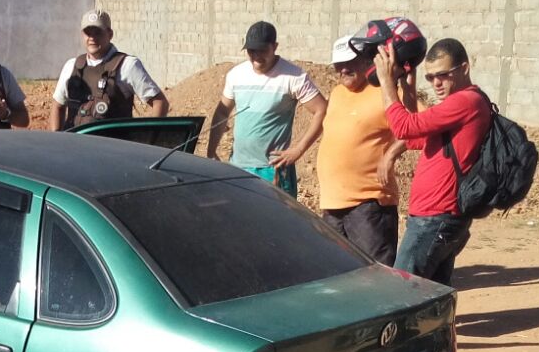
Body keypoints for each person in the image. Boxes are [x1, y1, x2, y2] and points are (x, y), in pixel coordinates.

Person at [374, 37, 491, 285]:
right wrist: (407, 89)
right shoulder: (461, 105)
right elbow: (413, 136)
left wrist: (385, 81)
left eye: (443, 75)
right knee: (432, 293)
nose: (436, 83)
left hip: (435, 218)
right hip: (439, 217)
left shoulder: (465, 101)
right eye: (430, 77)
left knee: (401, 290)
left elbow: (403, 127)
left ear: (464, 68)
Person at [317, 34, 411, 264]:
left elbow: (419, 124)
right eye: (338, 64)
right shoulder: (337, 93)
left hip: (369, 205)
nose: (343, 69)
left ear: (366, 60)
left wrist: (390, 155)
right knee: (337, 272)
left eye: (350, 62)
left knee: (374, 273)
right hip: (332, 204)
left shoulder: (385, 92)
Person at [206, 21, 328, 198]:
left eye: (262, 50)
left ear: (275, 47)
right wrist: (211, 151)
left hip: (273, 171)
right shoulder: (236, 75)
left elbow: (322, 110)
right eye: (251, 51)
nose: (256, 56)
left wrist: (298, 150)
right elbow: (222, 112)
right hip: (238, 168)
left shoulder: (293, 77)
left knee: (276, 216)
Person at [51, 9, 169, 130]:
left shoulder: (127, 65)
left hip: (112, 142)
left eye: (97, 32)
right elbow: (58, 105)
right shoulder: (71, 66)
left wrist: (151, 137)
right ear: (82, 35)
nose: (92, 38)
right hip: (74, 141)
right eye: (88, 33)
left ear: (110, 34)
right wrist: (56, 138)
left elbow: (160, 102)